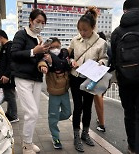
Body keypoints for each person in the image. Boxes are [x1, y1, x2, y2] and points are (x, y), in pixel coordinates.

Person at [110, 0, 139, 153]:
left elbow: (113, 60)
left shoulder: (116, 32)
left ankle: (132, 147)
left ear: (124, 10)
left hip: (125, 82)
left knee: (129, 114)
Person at [68, 7, 108, 152]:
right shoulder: (75, 40)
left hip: (91, 79)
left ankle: (85, 133)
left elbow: (105, 58)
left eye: (85, 30)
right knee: (78, 107)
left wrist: (101, 63)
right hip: (76, 77)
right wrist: (71, 60)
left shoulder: (101, 42)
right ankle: (76, 136)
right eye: (80, 30)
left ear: (93, 27)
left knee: (88, 107)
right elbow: (68, 55)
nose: (82, 33)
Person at [10, 9, 49, 154]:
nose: (40, 25)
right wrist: (34, 51)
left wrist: (44, 62)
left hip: (37, 78)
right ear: (31, 20)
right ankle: (26, 145)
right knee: (31, 112)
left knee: (35, 112)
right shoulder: (21, 34)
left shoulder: (39, 38)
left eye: (43, 23)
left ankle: (29, 142)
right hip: (23, 78)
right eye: (38, 21)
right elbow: (14, 54)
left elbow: (40, 58)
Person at [38, 37, 71, 149]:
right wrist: (43, 65)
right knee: (53, 116)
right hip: (53, 93)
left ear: (60, 45)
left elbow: (66, 64)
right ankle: (55, 137)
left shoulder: (65, 55)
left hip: (64, 91)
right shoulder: (46, 56)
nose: (55, 49)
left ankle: (52, 120)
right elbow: (42, 62)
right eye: (52, 47)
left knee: (67, 114)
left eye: (57, 46)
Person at [0, 29, 19, 123]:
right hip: (4, 75)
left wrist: (6, 75)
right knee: (8, 95)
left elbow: (11, 62)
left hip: (8, 76)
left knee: (10, 95)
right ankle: (9, 113)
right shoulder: (5, 47)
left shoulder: (10, 46)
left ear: (1, 37)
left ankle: (13, 115)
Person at [94, 32, 109, 133]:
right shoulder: (109, 47)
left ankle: (102, 123)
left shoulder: (102, 47)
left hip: (100, 76)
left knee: (98, 98)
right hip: (109, 75)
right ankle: (100, 119)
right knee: (100, 97)